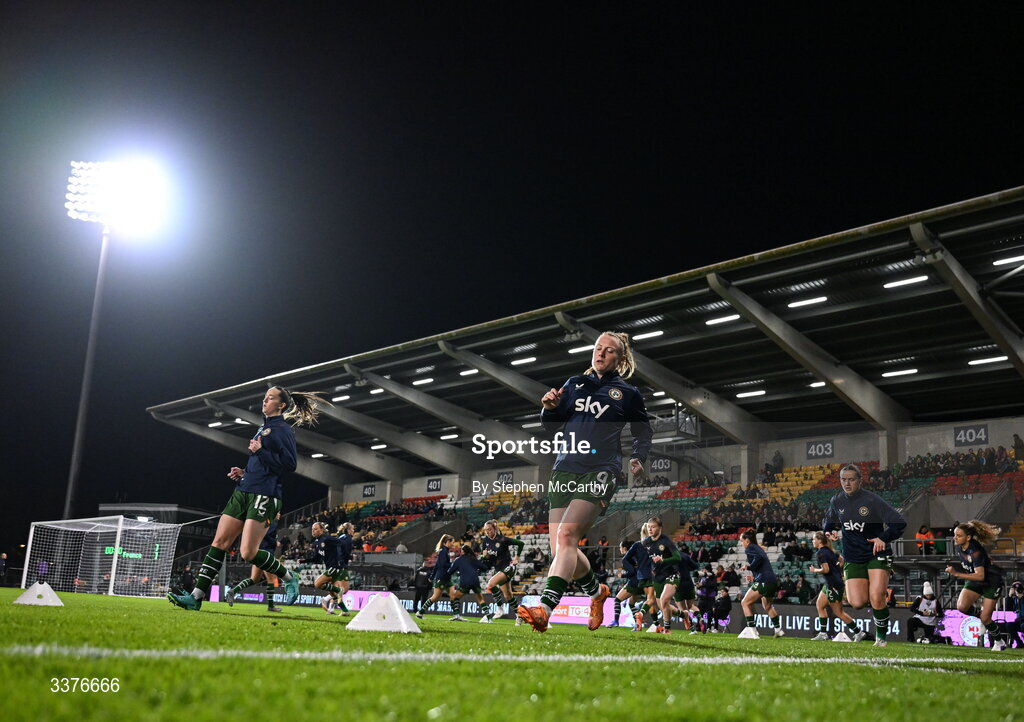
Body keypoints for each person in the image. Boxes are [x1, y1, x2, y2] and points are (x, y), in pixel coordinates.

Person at [517, 331, 653, 633]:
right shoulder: (574, 384)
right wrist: (548, 408)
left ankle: (545, 610)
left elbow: (643, 432)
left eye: (609, 351)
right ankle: (597, 593)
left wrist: (638, 457)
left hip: (602, 469)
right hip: (565, 468)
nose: (600, 354)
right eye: (597, 348)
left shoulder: (627, 393)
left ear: (620, 358)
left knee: (567, 536)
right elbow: (552, 426)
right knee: (560, 549)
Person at [168, 387, 325, 611]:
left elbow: (290, 465)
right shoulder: (263, 427)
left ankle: (290, 577)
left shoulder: (282, 430)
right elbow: (263, 463)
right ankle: (196, 596)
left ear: (281, 405)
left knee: (248, 553)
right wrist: (244, 472)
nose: (265, 401)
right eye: (265, 397)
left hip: (265, 495)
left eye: (270, 398)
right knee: (219, 542)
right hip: (244, 489)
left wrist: (261, 451)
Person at [822, 463, 906, 647]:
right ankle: (876, 598)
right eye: (843, 479)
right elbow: (828, 521)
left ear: (860, 480)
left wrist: (883, 538)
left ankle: (881, 638)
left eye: (851, 479)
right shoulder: (837, 501)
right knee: (857, 602)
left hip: (877, 554)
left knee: (876, 597)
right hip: (852, 556)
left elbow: (899, 523)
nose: (847, 483)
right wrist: (829, 531)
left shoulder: (872, 500)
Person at [945, 520, 1009, 651]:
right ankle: (981, 617)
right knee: (962, 607)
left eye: (958, 535)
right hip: (976, 580)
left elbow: (980, 575)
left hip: (991, 582)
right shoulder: (959, 547)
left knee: (986, 618)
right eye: (955, 535)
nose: (954, 538)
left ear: (968, 537)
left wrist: (956, 573)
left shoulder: (975, 551)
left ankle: (999, 642)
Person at [808, 531, 863, 641]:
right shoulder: (830, 550)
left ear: (819, 540)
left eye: (814, 539)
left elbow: (826, 569)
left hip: (834, 585)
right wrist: (837, 570)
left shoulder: (820, 553)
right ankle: (823, 634)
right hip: (831, 583)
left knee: (838, 612)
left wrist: (815, 570)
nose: (813, 541)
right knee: (819, 605)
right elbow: (841, 560)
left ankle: (858, 632)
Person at [226, 512, 285, 612]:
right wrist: (275, 542)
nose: (279, 514)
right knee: (271, 579)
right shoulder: (270, 522)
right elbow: (264, 535)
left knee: (254, 579)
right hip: (265, 554)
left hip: (259, 553)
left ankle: (233, 591)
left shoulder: (269, 521)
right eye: (277, 513)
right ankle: (271, 606)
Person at [739, 530, 783, 638]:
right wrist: (754, 577)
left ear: (747, 540)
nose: (741, 543)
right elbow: (763, 566)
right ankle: (778, 630)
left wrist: (748, 567)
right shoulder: (758, 548)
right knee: (767, 606)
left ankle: (752, 631)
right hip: (771, 581)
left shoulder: (750, 548)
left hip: (764, 580)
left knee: (745, 603)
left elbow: (758, 559)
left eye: (742, 541)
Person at [479, 519, 525, 622]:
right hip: (499, 569)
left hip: (508, 567)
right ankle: (519, 616)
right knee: (508, 595)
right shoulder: (485, 541)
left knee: (490, 585)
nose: (488, 532)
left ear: (494, 529)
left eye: (490, 529)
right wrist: (484, 556)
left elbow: (520, 543)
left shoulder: (502, 540)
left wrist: (516, 558)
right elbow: (485, 557)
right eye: (486, 530)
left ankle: (499, 609)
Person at [642, 516, 682, 634]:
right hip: (657, 576)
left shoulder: (666, 541)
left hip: (672, 574)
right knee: (664, 606)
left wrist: (663, 560)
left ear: (660, 528)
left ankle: (667, 629)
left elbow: (678, 557)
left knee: (664, 600)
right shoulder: (646, 542)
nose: (650, 529)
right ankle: (683, 615)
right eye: (649, 527)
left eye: (653, 527)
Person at [308, 521, 354, 616]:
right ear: (349, 530)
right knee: (341, 590)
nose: (353, 531)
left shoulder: (336, 538)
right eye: (352, 529)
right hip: (340, 567)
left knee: (338, 590)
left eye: (315, 529)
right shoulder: (347, 538)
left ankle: (335, 607)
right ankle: (333, 606)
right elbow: (341, 549)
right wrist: (347, 558)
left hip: (338, 566)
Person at [612, 539, 655, 630]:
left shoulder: (627, 558)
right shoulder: (636, 555)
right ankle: (638, 624)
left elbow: (632, 572)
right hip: (641, 582)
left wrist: (623, 575)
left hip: (634, 582)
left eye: (620, 547)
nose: (620, 549)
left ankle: (615, 621)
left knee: (617, 600)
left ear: (624, 548)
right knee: (631, 603)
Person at [416, 534, 456, 619]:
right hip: (441, 578)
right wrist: (454, 564)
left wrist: (431, 576)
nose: (453, 544)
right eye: (452, 542)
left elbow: (437, 565)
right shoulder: (443, 552)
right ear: (447, 542)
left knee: (453, 595)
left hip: (446, 578)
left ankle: (456, 616)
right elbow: (442, 564)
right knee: (435, 597)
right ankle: (420, 612)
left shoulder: (445, 551)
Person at [447, 544, 490, 622]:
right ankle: (489, 618)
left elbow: (450, 572)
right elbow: (485, 568)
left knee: (456, 598)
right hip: (475, 581)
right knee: (481, 600)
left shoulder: (458, 560)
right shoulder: (473, 559)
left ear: (462, 552)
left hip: (465, 582)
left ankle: (457, 616)